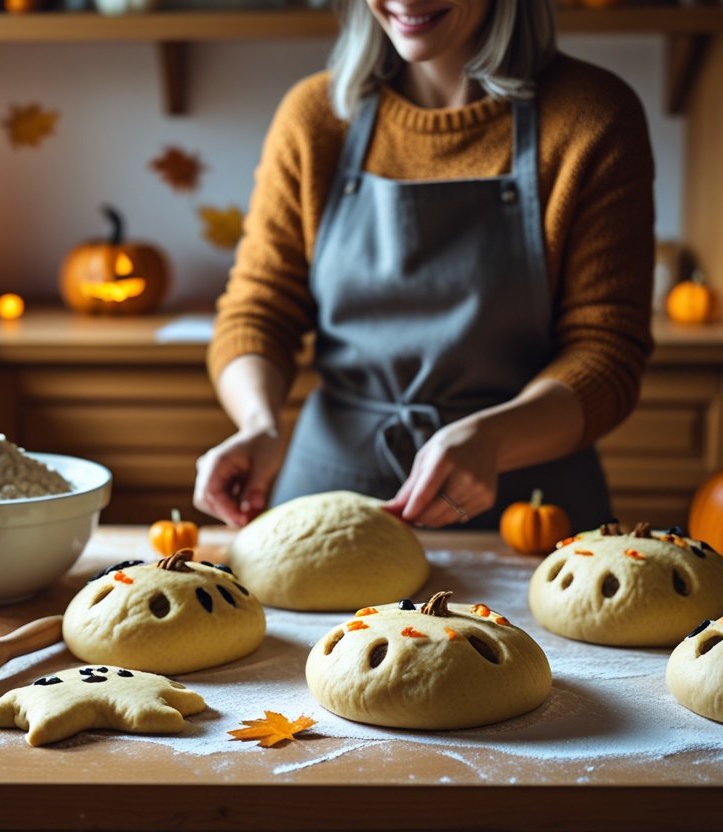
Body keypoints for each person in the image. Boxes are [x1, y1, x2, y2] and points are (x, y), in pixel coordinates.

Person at [193, 0, 655, 532]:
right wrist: (258, 424)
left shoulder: (590, 116)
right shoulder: (314, 116)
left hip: (528, 508)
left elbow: (606, 349)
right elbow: (258, 309)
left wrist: (493, 439)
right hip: (330, 495)